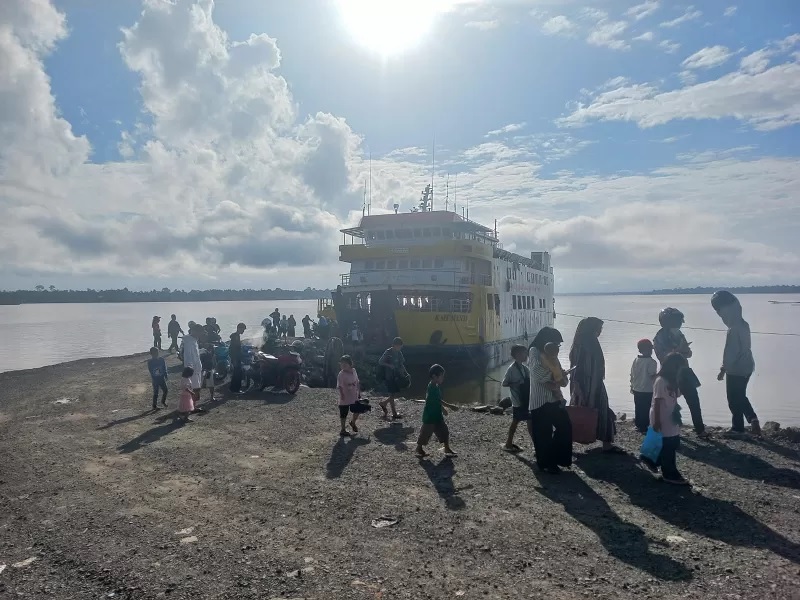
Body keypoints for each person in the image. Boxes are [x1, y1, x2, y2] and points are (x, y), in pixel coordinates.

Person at [569, 317, 624, 454]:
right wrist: (579, 387)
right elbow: (578, 366)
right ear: (591, 329)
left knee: (586, 409)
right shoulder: (585, 343)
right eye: (598, 328)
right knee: (589, 409)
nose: (600, 331)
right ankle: (604, 443)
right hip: (587, 384)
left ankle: (602, 442)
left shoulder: (585, 342)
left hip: (591, 383)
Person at [711, 291, 761, 437]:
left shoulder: (733, 329)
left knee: (733, 399)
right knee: (740, 396)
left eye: (719, 311)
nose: (719, 315)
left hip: (736, 369)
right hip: (747, 366)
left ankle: (737, 428)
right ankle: (753, 419)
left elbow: (730, 354)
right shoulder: (744, 324)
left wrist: (722, 369)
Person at [653, 307, 707, 437]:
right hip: (669, 375)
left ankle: (700, 429)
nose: (679, 324)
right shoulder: (659, 337)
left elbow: (688, 354)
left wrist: (685, 350)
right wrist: (678, 350)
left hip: (684, 372)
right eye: (675, 321)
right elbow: (663, 357)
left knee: (694, 400)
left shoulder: (679, 334)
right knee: (669, 403)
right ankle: (669, 428)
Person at [527, 327, 573, 474]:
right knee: (543, 433)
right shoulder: (534, 351)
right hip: (540, 400)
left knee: (565, 427)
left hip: (555, 399)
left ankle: (557, 458)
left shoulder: (552, 355)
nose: (557, 348)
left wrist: (563, 377)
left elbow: (559, 374)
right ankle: (546, 463)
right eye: (556, 344)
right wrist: (555, 378)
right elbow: (535, 372)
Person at [650, 352, 691, 485]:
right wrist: (656, 421)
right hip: (662, 416)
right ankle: (669, 473)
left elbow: (676, 395)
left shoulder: (672, 380)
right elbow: (657, 402)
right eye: (679, 367)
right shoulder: (661, 381)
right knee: (667, 444)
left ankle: (658, 464)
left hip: (671, 416)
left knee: (673, 442)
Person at [415, 364, 459, 458]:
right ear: (434, 376)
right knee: (425, 433)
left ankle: (446, 447)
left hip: (437, 415)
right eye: (441, 376)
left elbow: (437, 400)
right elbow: (437, 400)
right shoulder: (432, 388)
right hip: (430, 416)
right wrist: (450, 406)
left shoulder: (436, 386)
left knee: (444, 431)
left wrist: (443, 409)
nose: (443, 378)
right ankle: (419, 448)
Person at [501, 344, 530, 453]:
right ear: (518, 354)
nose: (526, 355)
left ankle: (509, 443)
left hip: (525, 399)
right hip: (518, 400)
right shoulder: (512, 369)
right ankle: (509, 443)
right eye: (524, 353)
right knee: (521, 421)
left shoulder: (524, 368)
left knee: (519, 421)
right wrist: (516, 383)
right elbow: (504, 383)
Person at [630, 339, 658, 433]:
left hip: (636, 388)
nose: (651, 351)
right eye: (650, 349)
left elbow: (632, 374)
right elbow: (652, 376)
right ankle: (646, 426)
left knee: (638, 407)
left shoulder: (636, 360)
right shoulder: (652, 362)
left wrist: (631, 386)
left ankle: (639, 425)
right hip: (648, 389)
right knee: (648, 408)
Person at [378, 337, 408, 419]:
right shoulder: (388, 352)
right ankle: (394, 413)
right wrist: (389, 365)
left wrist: (406, 373)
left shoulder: (399, 353)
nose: (399, 348)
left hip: (396, 376)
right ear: (394, 345)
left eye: (400, 346)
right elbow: (380, 361)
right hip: (389, 376)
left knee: (393, 394)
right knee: (392, 394)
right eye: (398, 346)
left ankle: (384, 403)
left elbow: (401, 364)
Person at [181, 324, 205, 410]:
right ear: (195, 331)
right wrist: (189, 368)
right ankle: (190, 407)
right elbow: (188, 356)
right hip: (192, 369)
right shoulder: (189, 342)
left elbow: (195, 354)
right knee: (194, 389)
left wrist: (202, 351)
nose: (201, 335)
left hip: (197, 368)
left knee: (197, 388)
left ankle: (193, 406)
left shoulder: (194, 340)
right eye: (200, 332)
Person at [336, 355, 361, 436]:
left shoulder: (354, 371)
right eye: (341, 363)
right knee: (343, 413)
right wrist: (342, 395)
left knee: (357, 410)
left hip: (354, 394)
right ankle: (343, 430)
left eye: (345, 363)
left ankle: (352, 422)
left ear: (350, 364)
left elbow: (357, 382)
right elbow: (339, 386)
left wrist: (359, 392)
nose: (343, 365)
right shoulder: (341, 374)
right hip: (345, 396)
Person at [229, 322, 247, 393]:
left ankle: (233, 388)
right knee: (237, 374)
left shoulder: (236, 336)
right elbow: (234, 349)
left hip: (236, 357)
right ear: (239, 328)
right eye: (243, 329)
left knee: (236, 373)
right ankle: (236, 389)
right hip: (236, 357)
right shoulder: (235, 336)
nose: (243, 331)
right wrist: (235, 359)